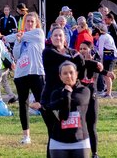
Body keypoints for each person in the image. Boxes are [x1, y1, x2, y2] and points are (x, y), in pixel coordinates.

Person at [41, 27, 103, 158]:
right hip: (52, 98)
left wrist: (100, 68)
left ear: (65, 38)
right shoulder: (48, 52)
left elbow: (81, 65)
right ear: (50, 39)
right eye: (55, 36)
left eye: (60, 36)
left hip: (69, 96)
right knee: (53, 132)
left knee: (72, 130)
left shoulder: (71, 52)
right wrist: (83, 59)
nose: (58, 38)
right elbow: (68, 60)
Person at [12, 11, 45, 145]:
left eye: (32, 21)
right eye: (27, 21)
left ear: (36, 23)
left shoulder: (38, 34)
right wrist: (18, 41)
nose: (30, 23)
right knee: (23, 105)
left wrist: (17, 36)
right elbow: (16, 55)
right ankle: (26, 136)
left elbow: (17, 36)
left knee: (43, 103)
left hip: (37, 73)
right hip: (21, 74)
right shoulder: (20, 36)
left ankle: (54, 129)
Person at [48, 61, 91, 158]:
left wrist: (64, 97)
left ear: (76, 74)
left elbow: (77, 100)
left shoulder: (84, 91)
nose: (68, 75)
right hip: (58, 142)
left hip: (81, 141)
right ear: (60, 76)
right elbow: (64, 116)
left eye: (71, 72)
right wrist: (66, 94)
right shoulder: (55, 93)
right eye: (65, 73)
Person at [92, 25, 117, 98]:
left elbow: (100, 52)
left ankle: (109, 93)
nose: (95, 38)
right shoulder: (106, 35)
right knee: (105, 74)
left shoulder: (102, 38)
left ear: (97, 34)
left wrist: (101, 62)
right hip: (110, 55)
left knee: (107, 75)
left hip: (110, 56)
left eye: (95, 37)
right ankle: (107, 92)